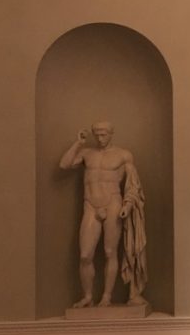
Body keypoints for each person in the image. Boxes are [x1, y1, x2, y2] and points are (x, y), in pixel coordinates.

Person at [59, 121, 147, 308]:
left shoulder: (123, 155)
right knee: (85, 255)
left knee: (110, 252)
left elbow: (133, 184)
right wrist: (78, 143)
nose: (100, 138)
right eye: (97, 134)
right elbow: (64, 164)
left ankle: (106, 296)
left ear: (111, 133)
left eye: (104, 134)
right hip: (90, 205)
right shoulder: (86, 154)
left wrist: (128, 204)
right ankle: (88, 296)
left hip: (112, 204)